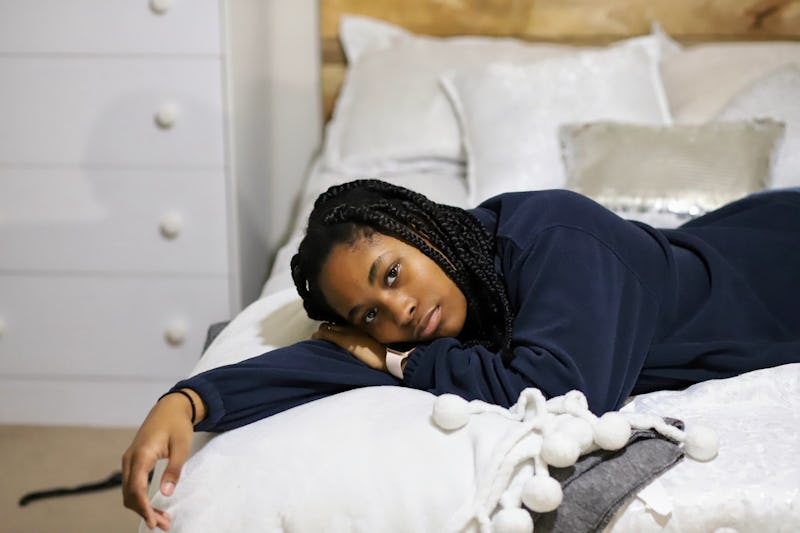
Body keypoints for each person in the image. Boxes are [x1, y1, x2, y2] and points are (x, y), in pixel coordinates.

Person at [123, 179, 800, 530]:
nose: (399, 314)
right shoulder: (447, 291)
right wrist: (189, 401)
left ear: (421, 229)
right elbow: (340, 357)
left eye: (392, 275)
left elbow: (560, 385)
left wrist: (399, 363)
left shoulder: (560, 239)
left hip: (776, 272)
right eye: (370, 314)